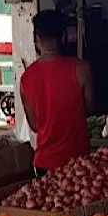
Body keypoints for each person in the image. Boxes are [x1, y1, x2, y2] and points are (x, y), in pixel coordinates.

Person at [21, 10, 93, 176]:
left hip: (43, 163)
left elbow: (34, 126)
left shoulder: (26, 78)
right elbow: (89, 109)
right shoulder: (81, 69)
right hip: (77, 162)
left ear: (36, 39)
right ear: (64, 36)